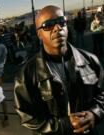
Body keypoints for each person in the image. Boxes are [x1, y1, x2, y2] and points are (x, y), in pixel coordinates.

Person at [14, 5, 104, 135]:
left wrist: (94, 114)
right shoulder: (27, 74)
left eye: (61, 22)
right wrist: (63, 125)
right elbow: (26, 115)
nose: (57, 28)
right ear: (39, 34)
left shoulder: (90, 60)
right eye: (48, 25)